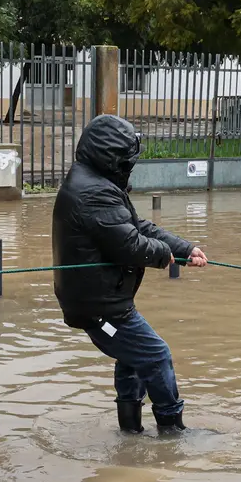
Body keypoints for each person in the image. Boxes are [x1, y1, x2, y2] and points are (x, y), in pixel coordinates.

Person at [52, 115, 208, 435]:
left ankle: (130, 434)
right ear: (111, 158)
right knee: (156, 356)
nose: (130, 165)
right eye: (126, 158)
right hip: (100, 310)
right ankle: (173, 431)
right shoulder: (93, 192)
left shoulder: (94, 182)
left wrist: (183, 249)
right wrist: (169, 256)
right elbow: (131, 245)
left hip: (102, 301)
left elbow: (136, 227)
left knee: (133, 359)